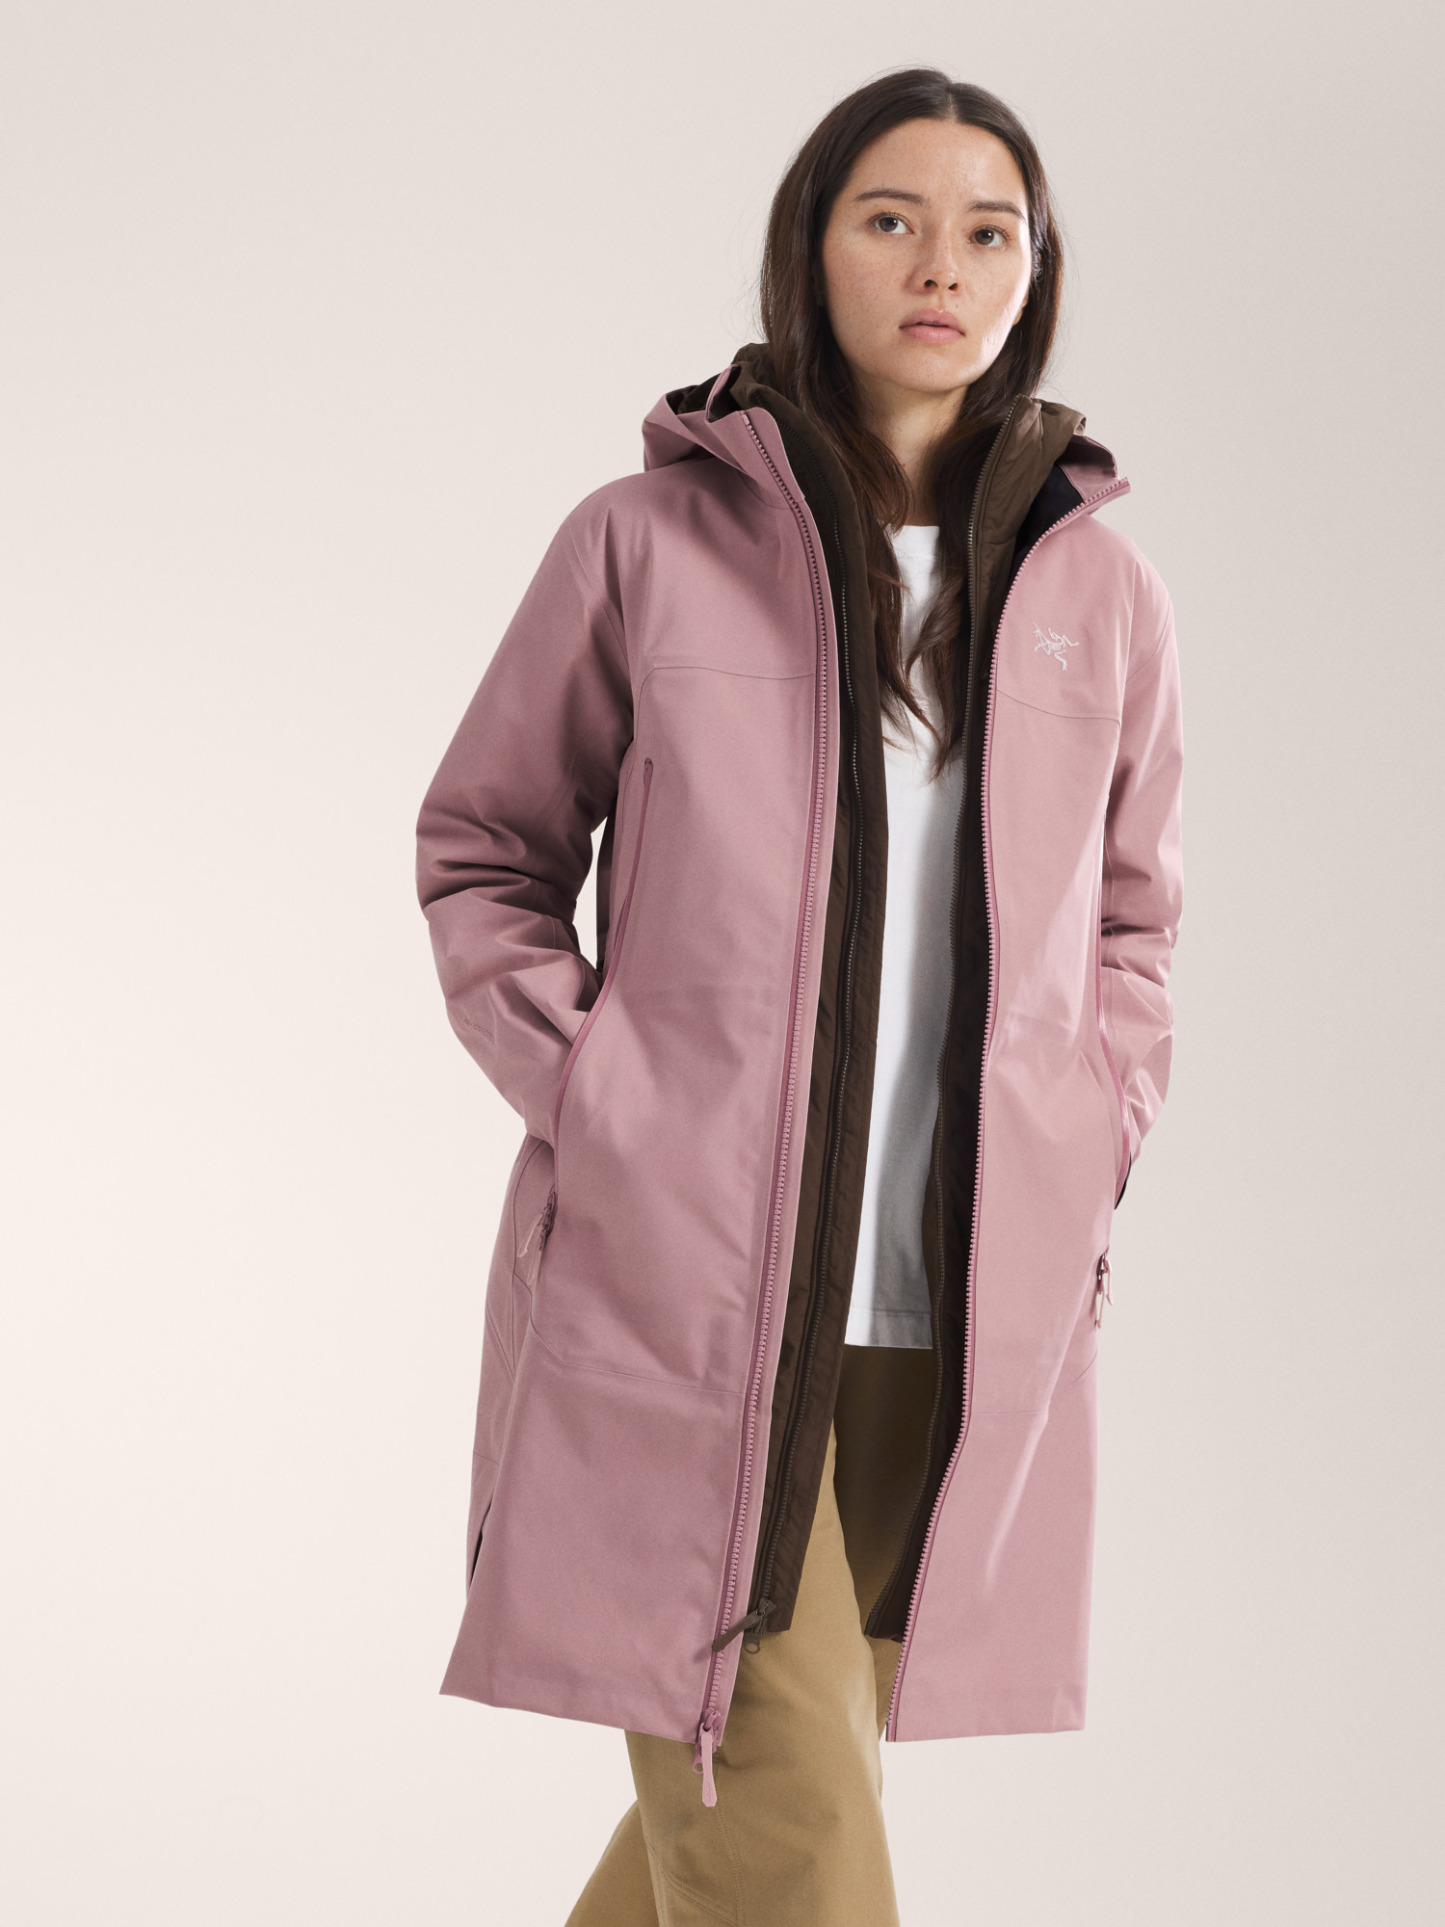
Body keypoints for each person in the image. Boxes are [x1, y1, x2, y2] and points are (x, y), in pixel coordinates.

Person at [415, 67, 1183, 1926]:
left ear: (1033, 272)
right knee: (788, 1827)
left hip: (952, 1298)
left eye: (988, 231)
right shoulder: (646, 541)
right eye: (889, 219)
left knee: (751, 1789)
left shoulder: (1099, 596)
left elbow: (1134, 924)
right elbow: (485, 850)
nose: (941, 266)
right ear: (811, 249)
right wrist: (603, 1095)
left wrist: (1090, 1125)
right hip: (683, 1289)